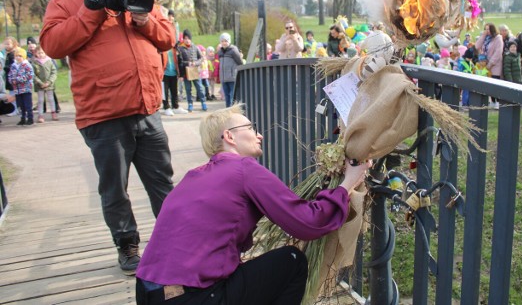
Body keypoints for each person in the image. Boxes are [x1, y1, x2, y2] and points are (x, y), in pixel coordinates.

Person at [135, 104, 371, 305]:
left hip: (148, 291)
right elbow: (307, 223)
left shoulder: (193, 176)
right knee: (292, 261)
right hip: (192, 296)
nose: (260, 135)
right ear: (229, 136)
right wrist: (347, 183)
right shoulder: (242, 168)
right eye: (250, 128)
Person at [40, 0, 176, 275]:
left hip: (147, 111)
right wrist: (90, 10)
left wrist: (144, 19)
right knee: (115, 188)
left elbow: (168, 38)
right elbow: (53, 45)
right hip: (103, 116)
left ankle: (176, 240)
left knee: (163, 183)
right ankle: (127, 244)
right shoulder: (69, 1)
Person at [177, 29, 207, 113]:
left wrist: (196, 63)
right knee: (188, 89)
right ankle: (190, 104)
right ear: (183, 39)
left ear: (191, 39)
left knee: (199, 88)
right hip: (186, 73)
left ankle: (203, 102)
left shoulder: (195, 47)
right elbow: (180, 62)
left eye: (188, 38)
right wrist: (187, 64)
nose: (187, 40)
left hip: (195, 72)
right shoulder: (180, 49)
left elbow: (201, 58)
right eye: (185, 38)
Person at [475, 23, 504, 108]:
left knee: (495, 83)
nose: (487, 31)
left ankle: (497, 102)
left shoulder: (498, 38)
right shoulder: (485, 38)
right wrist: (483, 36)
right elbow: (477, 46)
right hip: (484, 64)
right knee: (488, 83)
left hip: (495, 65)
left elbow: (498, 52)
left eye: (488, 29)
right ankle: (492, 101)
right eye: (485, 29)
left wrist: (491, 63)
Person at [31, 45, 58, 123]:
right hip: (40, 85)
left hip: (49, 85)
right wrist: (40, 83)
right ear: (35, 54)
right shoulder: (34, 63)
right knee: (40, 100)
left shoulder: (49, 61)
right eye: (38, 53)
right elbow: (33, 74)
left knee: (51, 99)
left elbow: (54, 72)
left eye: (42, 53)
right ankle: (40, 114)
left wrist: (49, 82)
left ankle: (53, 112)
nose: (40, 54)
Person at [8, 47, 34, 126]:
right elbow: (10, 75)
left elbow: (30, 75)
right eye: (16, 56)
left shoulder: (27, 65)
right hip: (17, 89)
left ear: (24, 57)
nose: (18, 57)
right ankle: (22, 118)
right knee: (20, 105)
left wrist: (18, 79)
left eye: (20, 56)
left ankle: (30, 118)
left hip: (26, 89)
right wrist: (12, 80)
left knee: (27, 104)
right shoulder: (13, 66)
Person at [161, 44, 188, 116]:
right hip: (164, 74)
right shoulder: (161, 48)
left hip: (174, 73)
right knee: (165, 92)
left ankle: (175, 107)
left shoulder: (176, 49)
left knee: (174, 92)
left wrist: (181, 74)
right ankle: (166, 107)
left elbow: (180, 61)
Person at [218, 33, 243, 108]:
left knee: (232, 95)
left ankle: (233, 110)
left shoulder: (233, 50)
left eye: (225, 41)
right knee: (226, 96)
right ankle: (227, 110)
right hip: (224, 77)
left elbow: (240, 62)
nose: (224, 43)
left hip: (232, 77)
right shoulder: (220, 52)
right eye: (222, 41)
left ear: (229, 41)